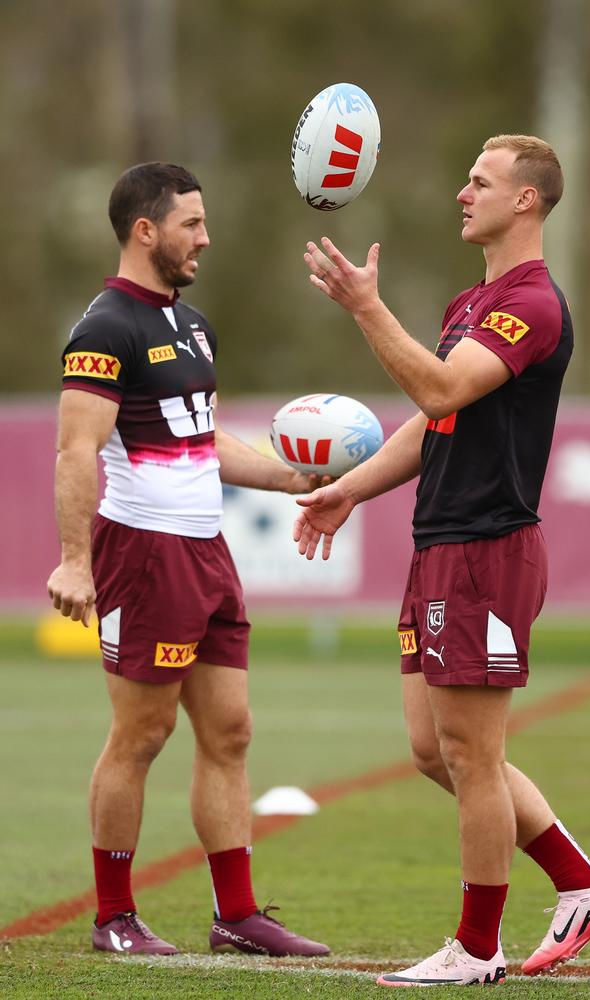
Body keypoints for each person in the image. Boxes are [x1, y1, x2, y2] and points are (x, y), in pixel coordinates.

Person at [294, 135, 590, 986]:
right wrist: (349, 491)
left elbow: (440, 389)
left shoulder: (533, 304)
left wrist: (367, 309)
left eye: (479, 181)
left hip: (488, 547)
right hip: (439, 543)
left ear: (526, 201)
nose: (461, 192)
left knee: (473, 755)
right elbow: (431, 420)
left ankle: (477, 949)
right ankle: (582, 883)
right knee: (431, 748)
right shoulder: (469, 303)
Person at [47, 161, 329, 959]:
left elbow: (201, 443)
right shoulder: (105, 328)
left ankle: (235, 915)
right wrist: (76, 562)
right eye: (191, 224)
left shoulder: (193, 324)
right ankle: (113, 919)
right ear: (147, 230)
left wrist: (292, 477)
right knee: (141, 734)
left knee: (231, 731)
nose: (205, 237)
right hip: (142, 553)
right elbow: (77, 449)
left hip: (207, 553)